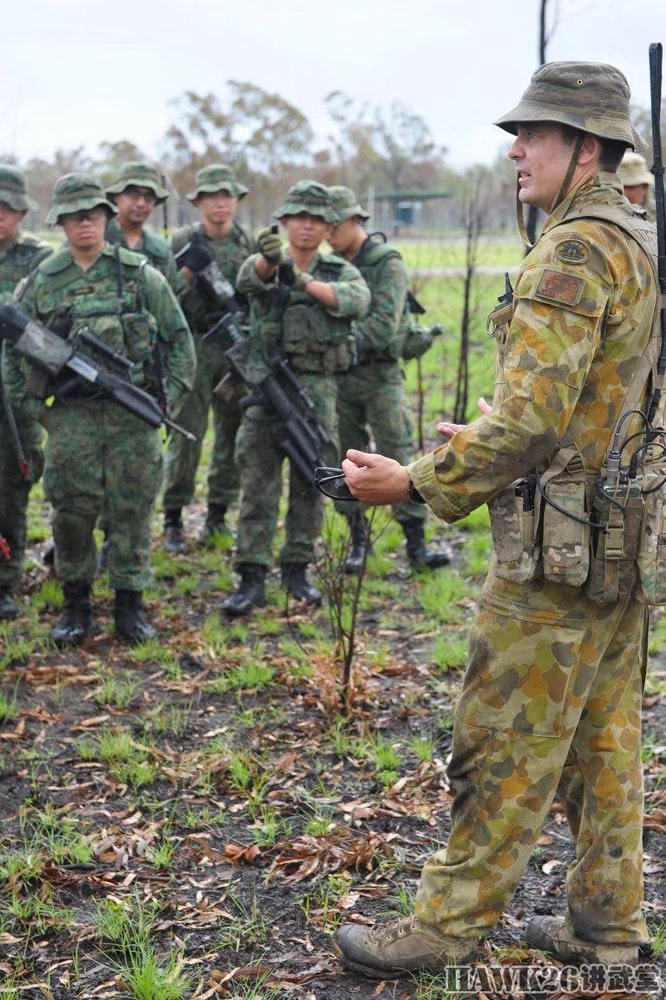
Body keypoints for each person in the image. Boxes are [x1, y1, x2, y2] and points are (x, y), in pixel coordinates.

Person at [334, 62, 656, 976]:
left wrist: (418, 480)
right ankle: (607, 927)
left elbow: (532, 423)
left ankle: (441, 927)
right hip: (622, 542)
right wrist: (494, 436)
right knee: (604, 743)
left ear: (586, 147)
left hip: (556, 556)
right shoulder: (639, 237)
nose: (516, 150)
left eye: (535, 135)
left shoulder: (574, 249)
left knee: (502, 738)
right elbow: (607, 399)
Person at [3, 173, 195, 646]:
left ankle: (130, 606)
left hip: (133, 417)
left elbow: (178, 341)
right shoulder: (42, 282)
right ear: (61, 223)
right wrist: (38, 410)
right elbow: (11, 351)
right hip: (71, 418)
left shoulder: (139, 274)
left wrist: (166, 396)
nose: (84, 224)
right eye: (73, 218)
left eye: (92, 215)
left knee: (131, 512)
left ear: (106, 218)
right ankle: (76, 605)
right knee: (71, 512)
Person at [222, 180, 370, 616]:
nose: (306, 227)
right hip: (265, 388)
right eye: (298, 219)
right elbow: (248, 280)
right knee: (257, 483)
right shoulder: (263, 261)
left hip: (316, 390)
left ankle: (297, 569)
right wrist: (273, 262)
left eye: (316, 220)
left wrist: (300, 280)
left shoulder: (341, 271)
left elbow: (353, 302)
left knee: (311, 478)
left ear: (328, 227)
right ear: (284, 223)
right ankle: (251, 575)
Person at [327, 185, 451, 573]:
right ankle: (357, 542)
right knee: (345, 456)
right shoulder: (330, 266)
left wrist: (334, 336)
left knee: (398, 452)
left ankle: (416, 546)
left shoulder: (386, 263)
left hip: (381, 375)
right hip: (341, 378)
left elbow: (382, 327)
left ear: (354, 221)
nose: (327, 234)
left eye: (333, 225)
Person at [162, 163, 253, 551]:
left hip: (235, 350)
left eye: (226, 196)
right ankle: (173, 517)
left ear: (235, 200)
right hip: (195, 347)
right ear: (199, 202)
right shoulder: (182, 239)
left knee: (231, 433)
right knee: (187, 433)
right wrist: (187, 275)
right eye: (211, 197)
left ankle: (217, 513)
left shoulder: (247, 243)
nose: (220, 205)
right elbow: (164, 296)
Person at [0, 164, 52, 619]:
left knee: (11, 489)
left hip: (16, 396)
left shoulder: (38, 260)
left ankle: (4, 579)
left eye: (7, 208)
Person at [105, 161, 180, 291]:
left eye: (148, 198)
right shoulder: (97, 239)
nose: (141, 203)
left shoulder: (160, 250)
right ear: (117, 197)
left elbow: (171, 298)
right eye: (133, 195)